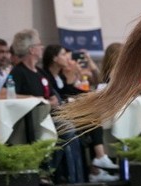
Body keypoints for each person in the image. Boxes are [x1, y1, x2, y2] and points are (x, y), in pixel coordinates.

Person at [42, 44, 119, 174]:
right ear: (54, 58)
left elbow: (69, 90)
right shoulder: (48, 76)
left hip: (66, 110)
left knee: (92, 118)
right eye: (63, 54)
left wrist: (89, 96)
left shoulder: (59, 77)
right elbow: (64, 92)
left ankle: (98, 164)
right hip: (56, 114)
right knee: (91, 118)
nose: (67, 58)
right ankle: (98, 160)